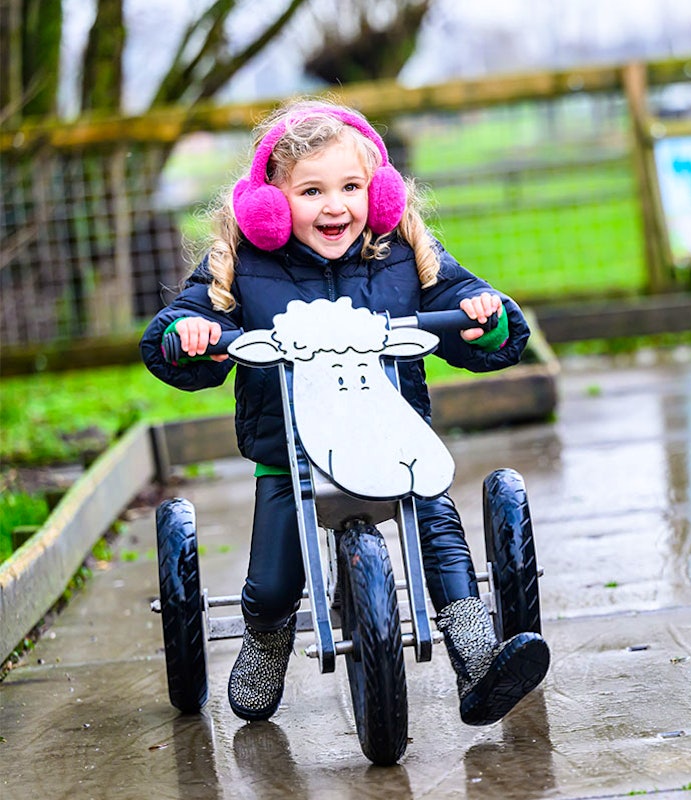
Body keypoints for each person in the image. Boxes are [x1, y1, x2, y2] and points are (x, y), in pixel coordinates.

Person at [139, 99, 550, 725]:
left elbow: (464, 297)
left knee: (439, 534)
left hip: (391, 436)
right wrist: (190, 331)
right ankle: (268, 638)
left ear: (378, 193)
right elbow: (191, 317)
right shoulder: (245, 263)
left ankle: (475, 656)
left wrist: (484, 318)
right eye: (311, 191)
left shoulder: (398, 251)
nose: (336, 206)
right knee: (275, 579)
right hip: (291, 454)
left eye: (351, 187)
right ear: (270, 205)